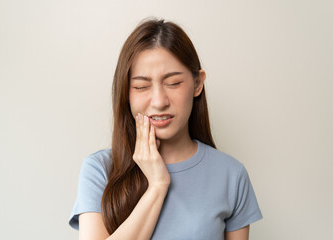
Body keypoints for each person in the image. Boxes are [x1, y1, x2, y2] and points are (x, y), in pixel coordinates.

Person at [68, 18, 263, 240]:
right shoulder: (99, 170)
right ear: (126, 93)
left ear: (198, 84)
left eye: (173, 83)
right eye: (141, 86)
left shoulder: (231, 174)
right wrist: (157, 186)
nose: (159, 101)